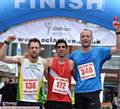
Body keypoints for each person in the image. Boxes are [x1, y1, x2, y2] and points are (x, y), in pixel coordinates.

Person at [69, 29, 120, 109]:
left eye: (87, 36)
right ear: (80, 39)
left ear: (92, 38)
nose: (85, 38)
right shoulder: (74, 55)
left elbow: (118, 48)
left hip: (93, 92)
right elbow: (69, 69)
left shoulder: (99, 52)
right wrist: (78, 79)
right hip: (79, 92)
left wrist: (118, 33)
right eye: (83, 36)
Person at [0, 36, 47, 109]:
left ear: (40, 49)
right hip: (22, 100)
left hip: (37, 101)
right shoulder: (21, 59)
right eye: (32, 48)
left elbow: (50, 77)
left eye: (36, 48)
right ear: (28, 49)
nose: (34, 50)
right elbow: (2, 57)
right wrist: (7, 42)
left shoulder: (44, 62)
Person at [45, 39, 75, 109]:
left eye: (63, 47)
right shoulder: (49, 61)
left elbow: (77, 78)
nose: (61, 49)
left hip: (66, 100)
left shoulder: (71, 63)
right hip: (51, 99)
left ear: (67, 49)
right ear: (56, 49)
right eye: (59, 47)